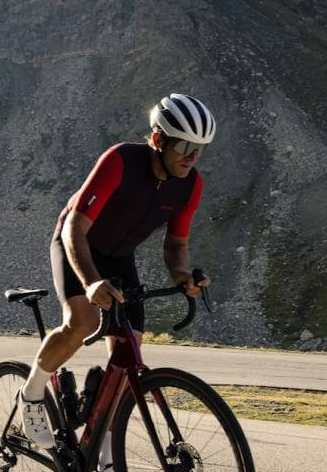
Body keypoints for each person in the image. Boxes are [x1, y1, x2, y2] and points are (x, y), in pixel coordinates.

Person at [17, 93, 215, 448]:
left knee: (128, 355)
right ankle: (31, 396)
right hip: (76, 242)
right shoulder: (120, 160)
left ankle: (104, 453)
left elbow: (175, 245)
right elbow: (73, 228)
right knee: (84, 321)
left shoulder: (191, 184)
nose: (192, 157)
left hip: (120, 257)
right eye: (184, 145)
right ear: (158, 139)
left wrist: (182, 276)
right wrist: (91, 282)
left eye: (200, 148)